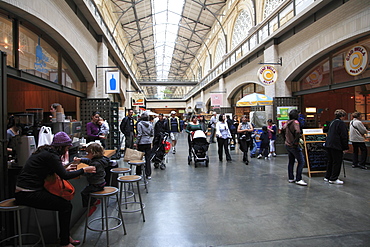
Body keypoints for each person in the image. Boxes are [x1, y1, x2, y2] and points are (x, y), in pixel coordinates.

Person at [14, 132, 96, 247]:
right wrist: (84, 170)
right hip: (27, 194)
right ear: (62, 146)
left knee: (65, 204)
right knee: (65, 206)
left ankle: (65, 236)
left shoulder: (45, 152)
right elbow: (65, 176)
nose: (67, 150)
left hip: (25, 190)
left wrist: (65, 168)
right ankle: (64, 242)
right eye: (67, 147)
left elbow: (52, 170)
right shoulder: (51, 156)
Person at [73, 142, 109, 216]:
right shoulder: (100, 160)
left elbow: (89, 174)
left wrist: (79, 172)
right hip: (101, 183)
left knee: (84, 193)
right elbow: (89, 161)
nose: (86, 155)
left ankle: (91, 205)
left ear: (93, 153)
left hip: (96, 185)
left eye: (88, 153)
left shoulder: (96, 164)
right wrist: (81, 160)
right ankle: (95, 200)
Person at [281, 109, 307, 186]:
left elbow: (282, 130)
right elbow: (298, 131)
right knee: (301, 161)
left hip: (288, 144)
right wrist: (296, 141)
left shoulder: (287, 123)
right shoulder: (295, 122)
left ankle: (291, 177)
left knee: (291, 161)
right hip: (293, 145)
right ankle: (298, 178)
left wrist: (285, 139)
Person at [324, 109, 349, 184]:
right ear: (343, 116)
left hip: (329, 144)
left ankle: (327, 176)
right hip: (336, 145)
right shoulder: (341, 124)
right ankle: (334, 178)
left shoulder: (332, 122)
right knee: (337, 162)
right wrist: (345, 147)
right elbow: (344, 136)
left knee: (330, 161)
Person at [136, 112, 154, 179]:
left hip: (141, 143)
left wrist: (136, 142)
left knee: (139, 158)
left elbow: (139, 134)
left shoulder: (139, 124)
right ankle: (148, 174)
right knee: (148, 159)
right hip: (148, 142)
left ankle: (139, 173)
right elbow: (152, 133)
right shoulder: (150, 124)